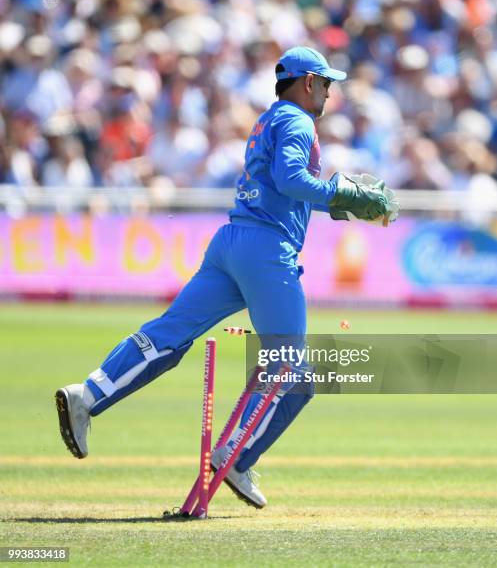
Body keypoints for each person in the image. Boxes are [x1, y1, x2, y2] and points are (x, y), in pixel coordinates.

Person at [55, 47, 389, 509]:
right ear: (308, 82)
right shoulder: (297, 121)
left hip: (231, 242)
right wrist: (338, 194)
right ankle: (238, 455)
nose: (331, 92)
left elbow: (280, 183)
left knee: (169, 334)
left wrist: (336, 200)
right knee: (293, 369)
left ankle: (87, 395)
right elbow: (292, 179)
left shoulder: (269, 119)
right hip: (268, 250)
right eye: (327, 83)